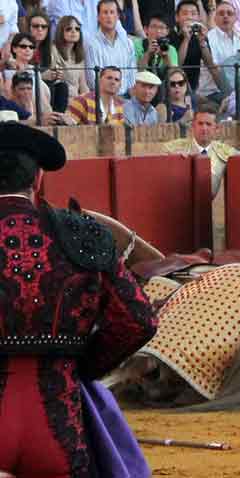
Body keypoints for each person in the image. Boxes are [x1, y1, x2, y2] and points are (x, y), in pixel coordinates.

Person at [0, 121, 158, 476]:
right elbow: (138, 320)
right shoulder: (82, 231)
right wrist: (82, 365)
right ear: (38, 178)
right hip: (59, 420)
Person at [163, 103, 240, 198]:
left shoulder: (225, 152)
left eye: (208, 124)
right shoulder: (172, 148)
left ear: (216, 129)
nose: (204, 128)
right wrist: (173, 161)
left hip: (206, 209)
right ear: (193, 126)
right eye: (200, 124)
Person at [51, 15, 90, 102]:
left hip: (77, 102)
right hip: (62, 101)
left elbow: (83, 85)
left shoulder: (79, 54)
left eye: (77, 29)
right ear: (61, 32)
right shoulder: (53, 51)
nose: (73, 31)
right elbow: (56, 82)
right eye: (68, 29)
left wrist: (89, 103)